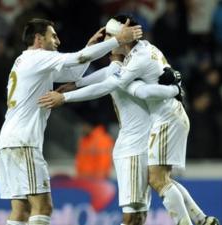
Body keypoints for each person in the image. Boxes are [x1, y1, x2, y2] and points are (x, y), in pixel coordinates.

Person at [39, 15, 219, 225]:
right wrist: (75, 84)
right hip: (155, 126)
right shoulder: (138, 53)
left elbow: (109, 83)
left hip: (140, 140)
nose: (105, 42)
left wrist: (66, 96)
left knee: (141, 206)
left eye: (109, 37)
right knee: (158, 185)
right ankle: (201, 220)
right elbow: (109, 74)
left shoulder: (134, 63)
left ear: (122, 38)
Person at [0, 18, 142, 225]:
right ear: (38, 39)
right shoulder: (37, 58)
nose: (58, 41)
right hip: (24, 142)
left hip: (9, 141)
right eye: (53, 36)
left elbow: (73, 71)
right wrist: (117, 40)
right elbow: (76, 58)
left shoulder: (26, 61)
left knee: (20, 210)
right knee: (43, 206)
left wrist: (90, 48)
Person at [55, 51, 179, 224]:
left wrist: (74, 86)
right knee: (133, 215)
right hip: (132, 149)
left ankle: (196, 218)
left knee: (139, 215)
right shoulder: (120, 72)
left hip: (139, 147)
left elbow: (95, 81)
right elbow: (100, 86)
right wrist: (175, 88)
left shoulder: (128, 70)